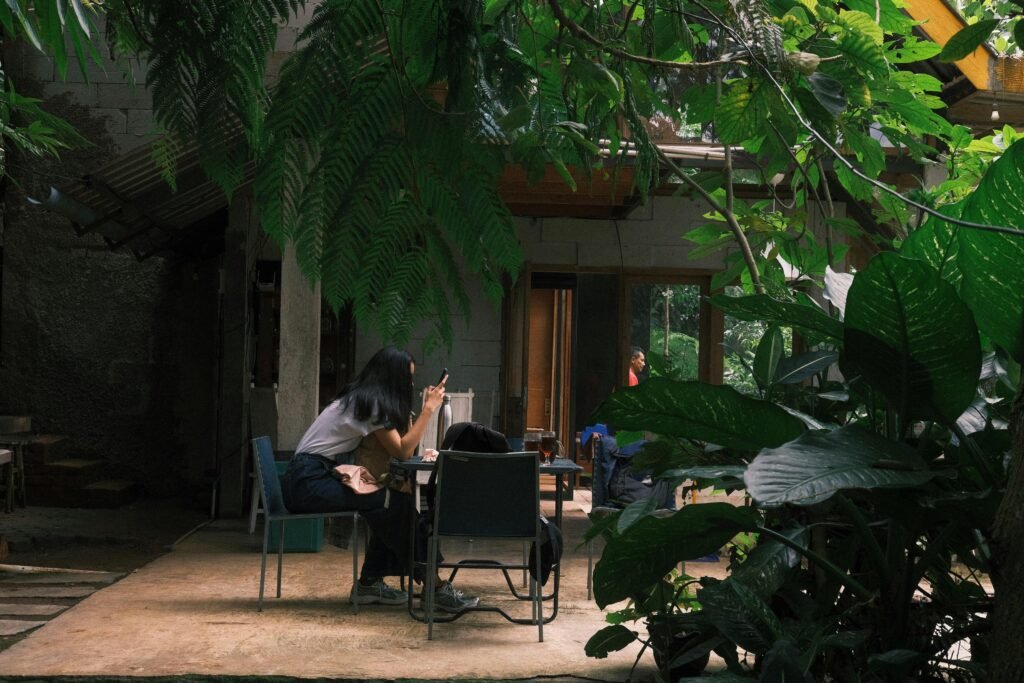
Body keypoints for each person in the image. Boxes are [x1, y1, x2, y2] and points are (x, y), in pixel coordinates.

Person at [280, 346, 478, 612]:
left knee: (388, 505)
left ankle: (371, 582)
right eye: (406, 378)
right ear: (391, 378)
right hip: (307, 481)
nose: (409, 384)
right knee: (391, 503)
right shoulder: (371, 404)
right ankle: (433, 586)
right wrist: (428, 410)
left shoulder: (361, 398)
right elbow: (402, 450)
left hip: (307, 476)